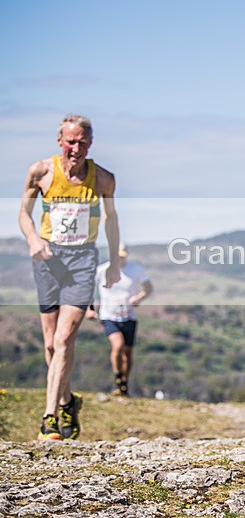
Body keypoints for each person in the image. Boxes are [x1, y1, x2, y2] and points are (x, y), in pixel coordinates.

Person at [19, 114, 121, 441]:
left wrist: (115, 261)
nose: (75, 148)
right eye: (70, 141)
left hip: (82, 260)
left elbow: (111, 219)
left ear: (91, 144)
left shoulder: (103, 178)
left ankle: (49, 418)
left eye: (82, 142)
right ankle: (67, 401)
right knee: (50, 343)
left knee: (64, 340)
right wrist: (34, 240)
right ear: (60, 141)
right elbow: (23, 212)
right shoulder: (41, 171)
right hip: (48, 260)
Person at [85, 243, 153, 396]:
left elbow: (149, 288)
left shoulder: (135, 269)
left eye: (122, 257)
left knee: (128, 352)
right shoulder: (102, 270)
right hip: (109, 316)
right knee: (118, 346)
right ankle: (118, 378)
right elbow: (87, 288)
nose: (120, 260)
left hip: (128, 316)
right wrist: (89, 309)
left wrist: (139, 298)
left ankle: (124, 382)